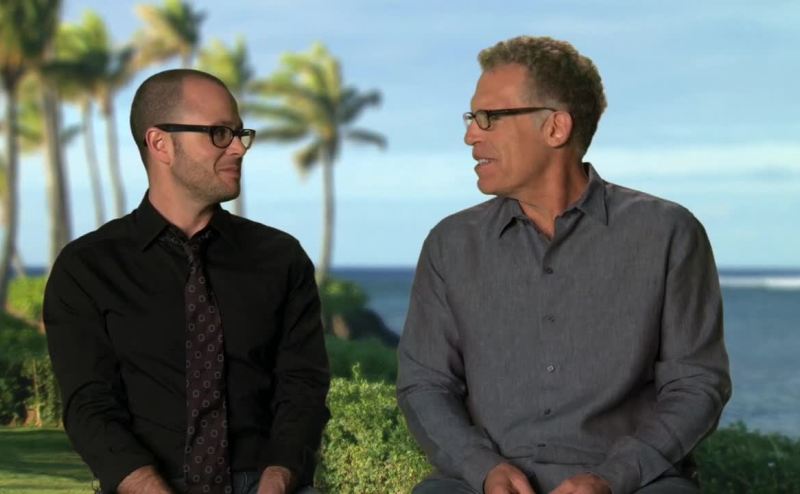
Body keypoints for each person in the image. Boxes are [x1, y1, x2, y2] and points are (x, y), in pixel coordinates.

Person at [397, 36, 731, 494]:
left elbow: (696, 385)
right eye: (471, 118)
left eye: (489, 117)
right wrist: (483, 468)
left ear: (555, 128)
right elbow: (425, 385)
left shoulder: (669, 233)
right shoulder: (450, 244)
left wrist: (613, 477)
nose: (471, 135)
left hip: (633, 485)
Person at [44, 69, 330, 494]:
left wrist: (277, 480)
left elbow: (303, 388)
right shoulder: (87, 268)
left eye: (240, 133)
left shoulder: (280, 258)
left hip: (267, 483)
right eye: (219, 133)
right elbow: (89, 406)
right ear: (160, 143)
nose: (238, 148)